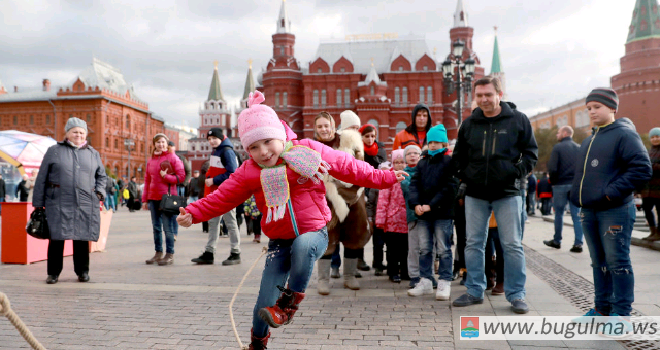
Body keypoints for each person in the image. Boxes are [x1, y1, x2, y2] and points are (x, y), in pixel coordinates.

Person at [176, 91, 406, 350]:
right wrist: (193, 213)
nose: (263, 152)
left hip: (315, 232)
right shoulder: (249, 171)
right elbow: (222, 197)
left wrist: (384, 177)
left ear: (279, 133)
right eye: (253, 147)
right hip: (279, 242)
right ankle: (257, 343)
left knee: (303, 246)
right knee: (263, 303)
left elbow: (347, 166)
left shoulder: (306, 150)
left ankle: (287, 307)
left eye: (267, 142)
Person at [451, 76, 538, 314]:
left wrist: (514, 173)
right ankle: (475, 290)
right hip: (476, 194)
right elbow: (458, 157)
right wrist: (467, 175)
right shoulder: (469, 124)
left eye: (488, 94)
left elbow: (531, 153)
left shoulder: (517, 120)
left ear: (500, 94)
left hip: (508, 193)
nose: (484, 99)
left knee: (511, 245)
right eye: (479, 96)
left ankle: (517, 294)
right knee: (474, 244)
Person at [569, 88, 651, 321]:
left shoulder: (625, 135)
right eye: (589, 108)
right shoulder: (588, 140)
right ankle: (601, 309)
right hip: (588, 210)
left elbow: (641, 168)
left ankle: (622, 314)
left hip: (615, 209)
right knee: (598, 262)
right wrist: (577, 196)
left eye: (597, 107)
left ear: (612, 108)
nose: (592, 112)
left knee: (618, 261)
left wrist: (610, 193)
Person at [32, 117, 107, 284]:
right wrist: (38, 204)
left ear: (85, 134)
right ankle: (53, 273)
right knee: (56, 238)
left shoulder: (93, 153)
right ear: (67, 133)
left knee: (82, 238)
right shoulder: (54, 151)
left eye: (81, 132)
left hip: (85, 203)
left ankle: (82, 271)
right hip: (58, 202)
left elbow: (102, 176)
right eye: (75, 132)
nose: (78, 135)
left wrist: (100, 193)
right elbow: (41, 178)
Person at [314, 111, 372, 293]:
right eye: (320, 126)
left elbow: (361, 169)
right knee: (327, 237)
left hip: (354, 197)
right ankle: (323, 279)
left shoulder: (353, 143)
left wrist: (354, 190)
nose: (354, 131)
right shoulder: (319, 145)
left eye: (357, 128)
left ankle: (349, 276)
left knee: (353, 235)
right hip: (328, 199)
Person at [407, 125, 459, 300]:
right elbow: (414, 184)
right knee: (424, 248)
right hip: (423, 214)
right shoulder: (423, 162)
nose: (434, 145)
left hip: (442, 213)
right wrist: (416, 204)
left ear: (444, 143)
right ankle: (426, 280)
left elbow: (450, 187)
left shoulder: (448, 161)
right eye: (431, 142)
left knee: (444, 248)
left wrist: (431, 205)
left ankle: (444, 281)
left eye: (437, 142)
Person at [190, 128, 241, 265]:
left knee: (230, 222)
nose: (211, 141)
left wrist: (214, 180)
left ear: (221, 137)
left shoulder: (227, 151)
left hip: (226, 193)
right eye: (209, 139)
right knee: (213, 223)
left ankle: (236, 253)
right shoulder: (216, 151)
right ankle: (209, 252)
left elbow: (232, 173)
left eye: (214, 138)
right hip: (215, 194)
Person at [142, 133, 185, 266]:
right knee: (156, 227)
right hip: (153, 198)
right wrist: (144, 199)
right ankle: (158, 252)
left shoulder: (173, 157)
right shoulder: (151, 160)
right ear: (154, 144)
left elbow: (181, 177)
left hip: (167, 198)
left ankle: (170, 254)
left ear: (167, 144)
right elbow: (147, 180)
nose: (160, 144)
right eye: (158, 142)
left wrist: (166, 177)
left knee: (168, 227)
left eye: (163, 142)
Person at [543, 126, 584, 252]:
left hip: (560, 184)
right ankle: (578, 243)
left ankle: (557, 241)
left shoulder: (558, 148)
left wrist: (554, 182)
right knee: (576, 215)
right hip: (575, 185)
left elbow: (553, 168)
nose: (557, 135)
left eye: (558, 132)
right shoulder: (579, 147)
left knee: (559, 214)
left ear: (565, 133)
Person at [375, 150, 409, 283]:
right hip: (392, 221)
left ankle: (405, 271)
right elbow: (382, 201)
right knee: (392, 249)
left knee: (406, 249)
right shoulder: (388, 177)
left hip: (407, 220)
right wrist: (380, 221)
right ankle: (393, 271)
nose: (399, 165)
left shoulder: (410, 176)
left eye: (402, 162)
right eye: (396, 162)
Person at [360, 123, 387, 274]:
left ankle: (378, 262)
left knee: (379, 232)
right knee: (361, 229)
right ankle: (359, 259)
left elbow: (383, 170)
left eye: (372, 136)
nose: (370, 139)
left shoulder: (381, 150)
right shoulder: (358, 151)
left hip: (377, 194)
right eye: (367, 136)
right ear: (361, 137)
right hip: (362, 193)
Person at [401, 144, 422, 288]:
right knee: (414, 247)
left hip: (428, 213)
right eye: (409, 154)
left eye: (416, 153)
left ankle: (428, 274)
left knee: (427, 247)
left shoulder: (425, 171)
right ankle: (414, 275)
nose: (413, 155)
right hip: (413, 215)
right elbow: (409, 189)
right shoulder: (403, 174)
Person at [641, 127, 660, 241]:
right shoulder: (648, 151)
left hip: (658, 187)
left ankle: (659, 232)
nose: (655, 139)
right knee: (646, 208)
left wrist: (651, 166)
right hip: (647, 187)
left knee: (659, 210)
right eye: (653, 137)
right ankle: (652, 232)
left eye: (657, 136)